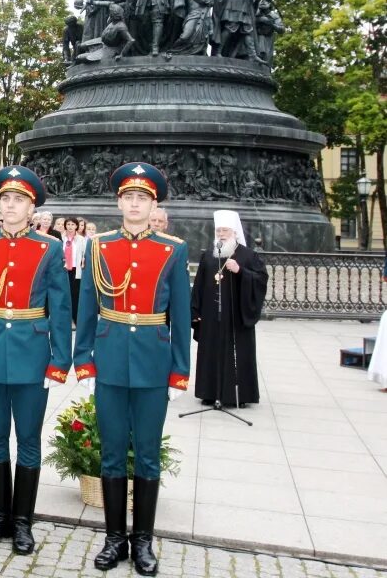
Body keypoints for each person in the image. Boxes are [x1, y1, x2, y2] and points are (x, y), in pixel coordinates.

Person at [73, 162, 190, 576]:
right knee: (110, 454)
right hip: (108, 361)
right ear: (119, 201)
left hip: (152, 365)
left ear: (152, 203)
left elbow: (179, 312)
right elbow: (86, 307)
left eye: (142, 198)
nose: (135, 204)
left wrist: (179, 371)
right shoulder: (100, 246)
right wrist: (82, 360)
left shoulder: (172, 249)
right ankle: (113, 539)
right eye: (128, 197)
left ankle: (143, 542)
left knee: (147, 455)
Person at [0, 166, 72, 553]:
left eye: (18, 200)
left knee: (27, 440)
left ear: (31, 207)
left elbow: (60, 307)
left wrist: (61, 361)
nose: (10, 205)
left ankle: (22, 522)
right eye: (5, 198)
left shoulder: (48, 247)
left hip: (32, 355)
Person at [191, 210, 268, 409]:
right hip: (211, 315)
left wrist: (241, 271)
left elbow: (260, 280)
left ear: (234, 232)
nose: (221, 234)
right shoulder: (208, 255)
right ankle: (209, 392)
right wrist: (195, 312)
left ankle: (238, 394)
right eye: (218, 230)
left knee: (236, 354)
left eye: (225, 230)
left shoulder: (248, 255)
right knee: (211, 352)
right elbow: (198, 285)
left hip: (236, 317)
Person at [63, 217, 87, 325]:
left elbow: (84, 254)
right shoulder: (61, 238)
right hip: (63, 270)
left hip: (76, 270)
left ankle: (75, 319)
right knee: (64, 294)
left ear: (77, 226)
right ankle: (65, 319)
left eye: (73, 224)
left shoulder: (81, 239)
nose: (70, 227)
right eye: (68, 224)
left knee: (75, 295)